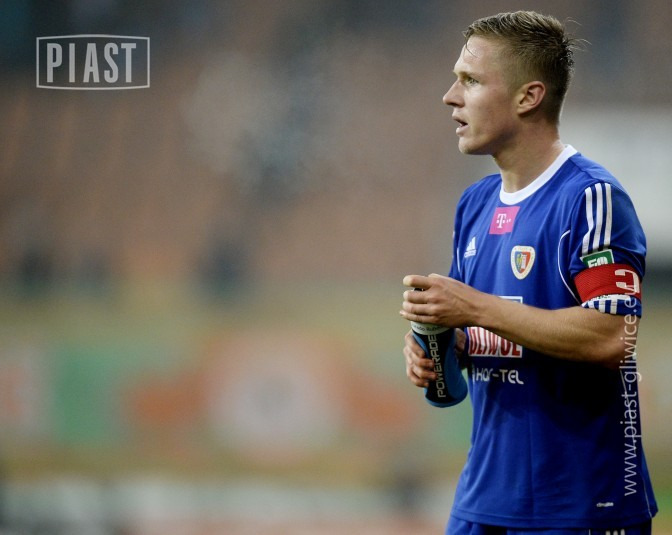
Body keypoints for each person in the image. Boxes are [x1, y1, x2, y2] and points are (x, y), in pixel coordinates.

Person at [399, 11, 657, 535]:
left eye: (471, 80)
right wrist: (447, 345)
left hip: (581, 506)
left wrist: (472, 308)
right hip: (483, 501)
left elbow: (612, 335)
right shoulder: (474, 204)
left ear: (528, 97)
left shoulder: (590, 197)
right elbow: (494, 333)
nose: (450, 96)